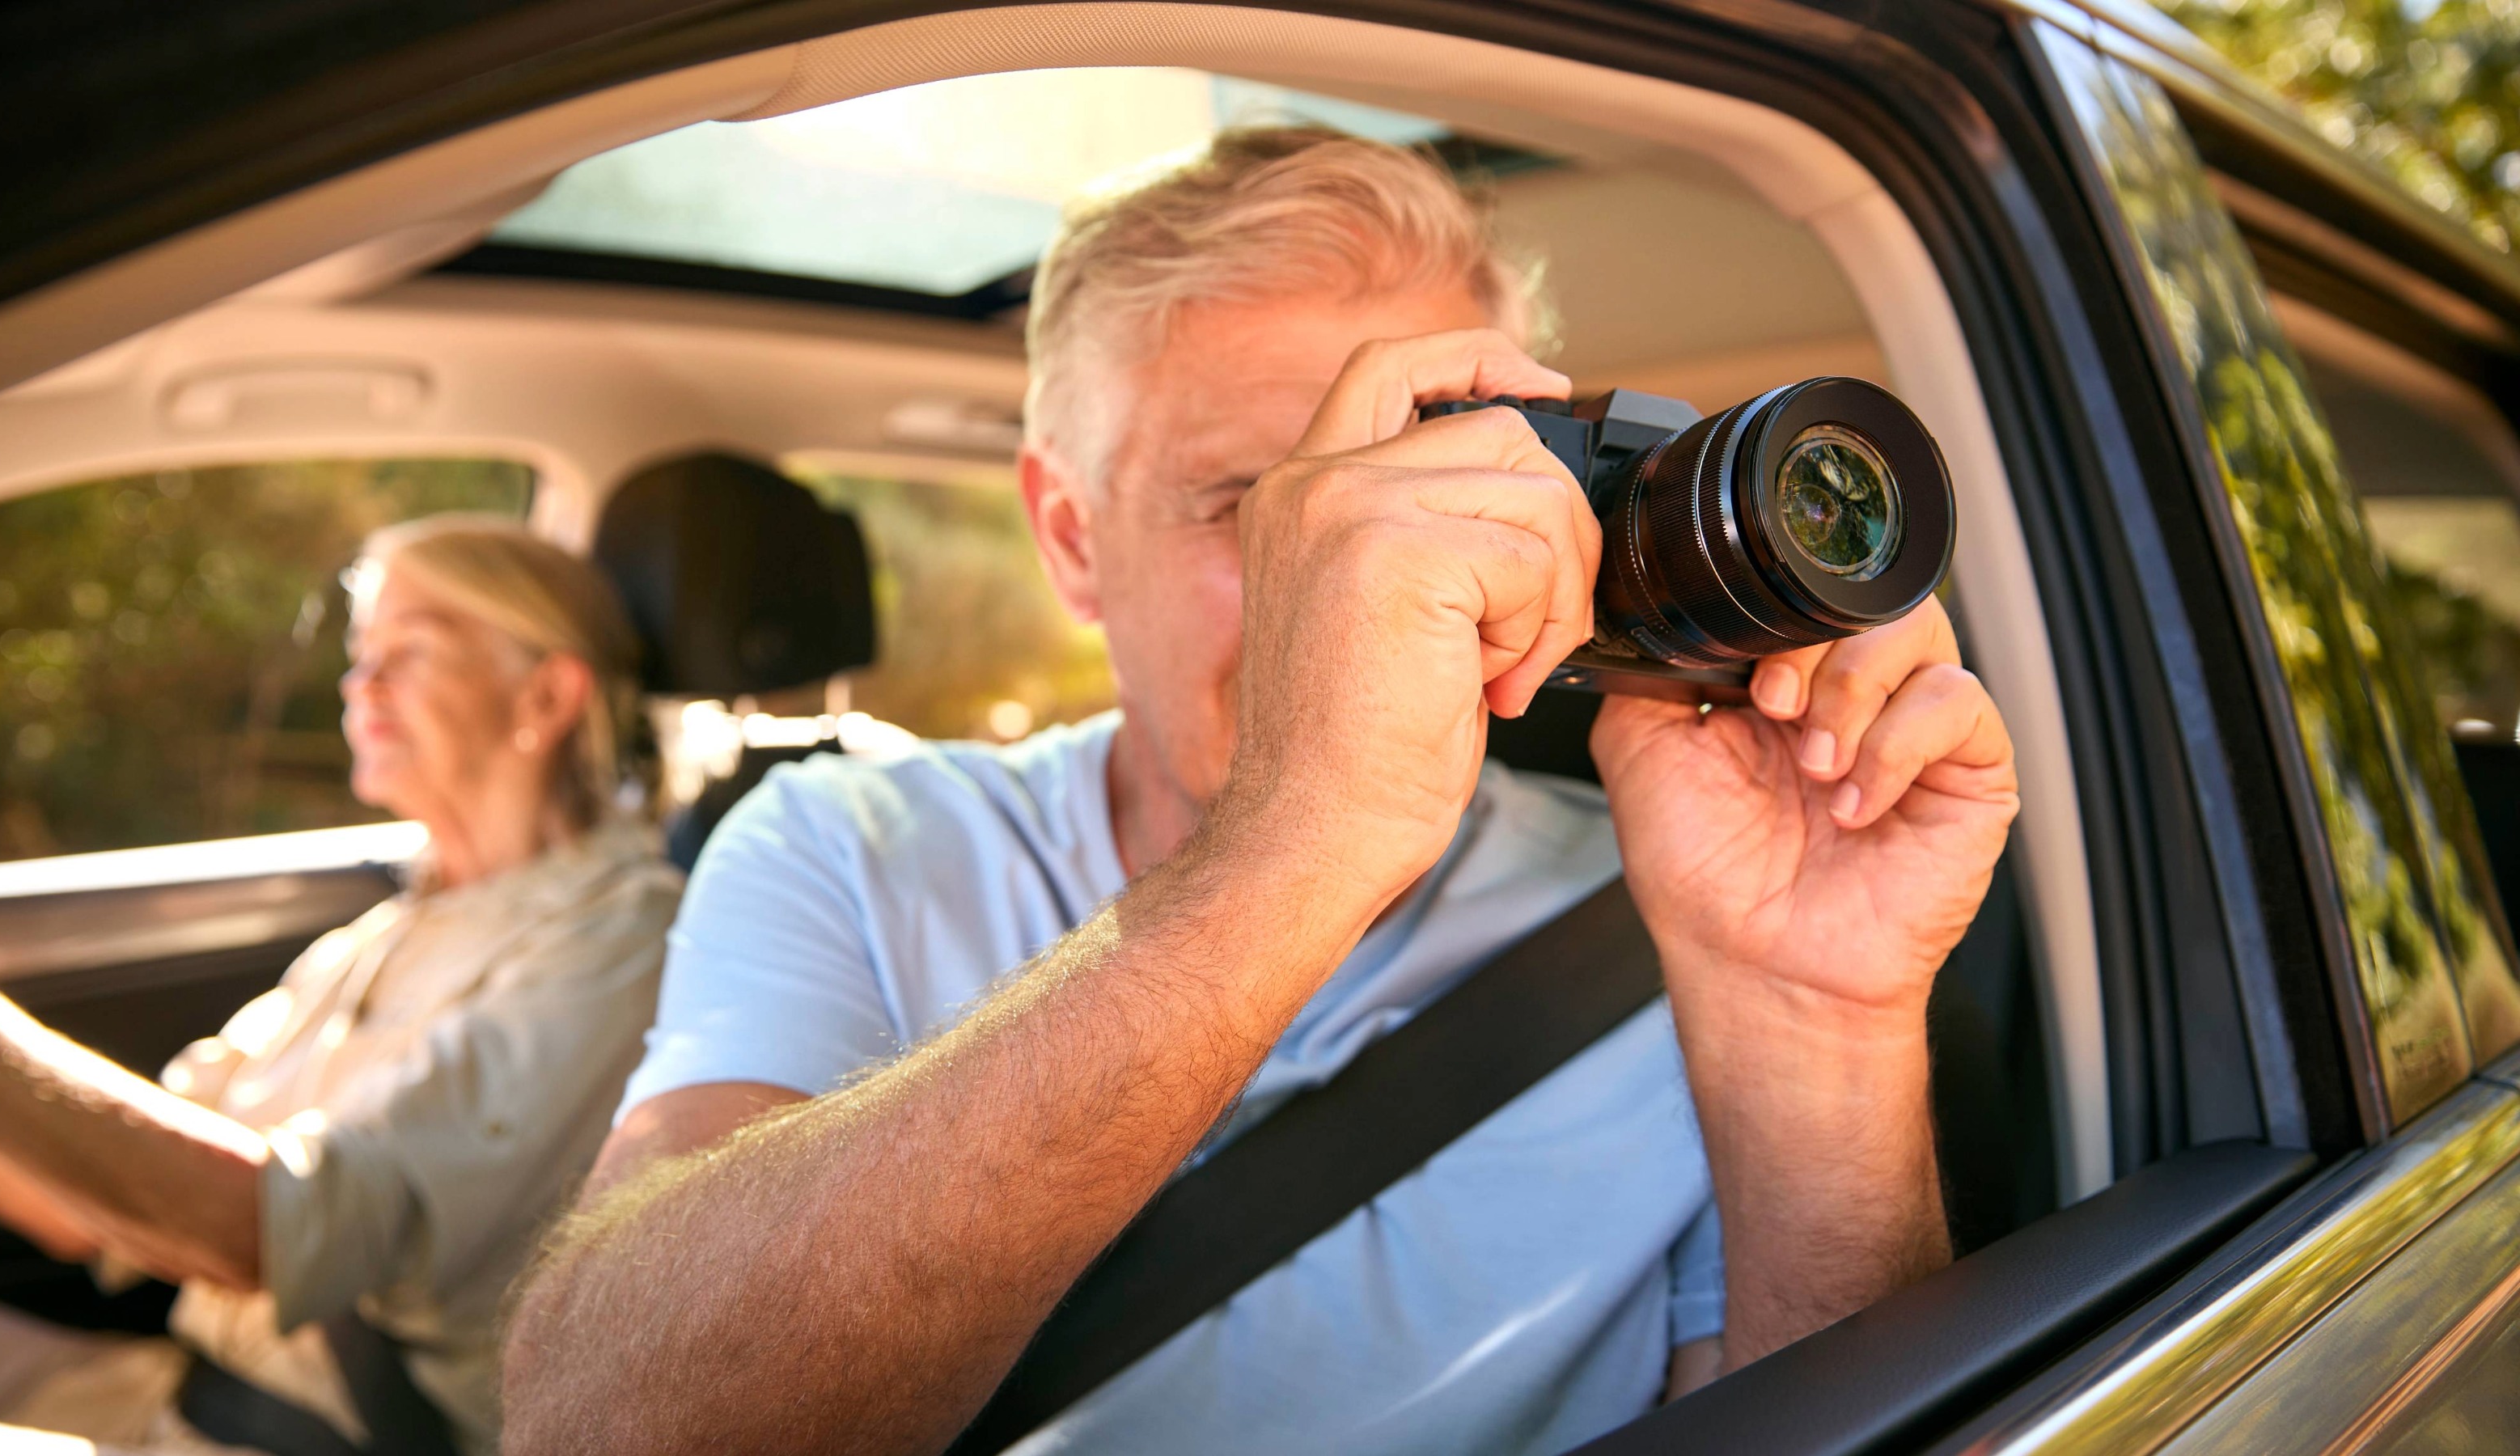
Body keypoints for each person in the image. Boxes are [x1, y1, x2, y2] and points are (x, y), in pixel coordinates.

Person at [503, 128, 2019, 1455]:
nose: (1348, 572)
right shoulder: (852, 849)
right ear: (1071, 537)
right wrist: (1292, 856)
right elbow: (597, 1428)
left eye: (1423, 490)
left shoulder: (1668, 914)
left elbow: (1820, 1408)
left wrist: (1810, 1026)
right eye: (1251, 502)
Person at [0, 516, 683, 1455]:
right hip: (178, 1393)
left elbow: (266, 1230)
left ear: (546, 694)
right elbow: (92, 1209)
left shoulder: (618, 940)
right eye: (358, 654)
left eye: (406, 653)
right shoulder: (380, 935)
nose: (357, 685)